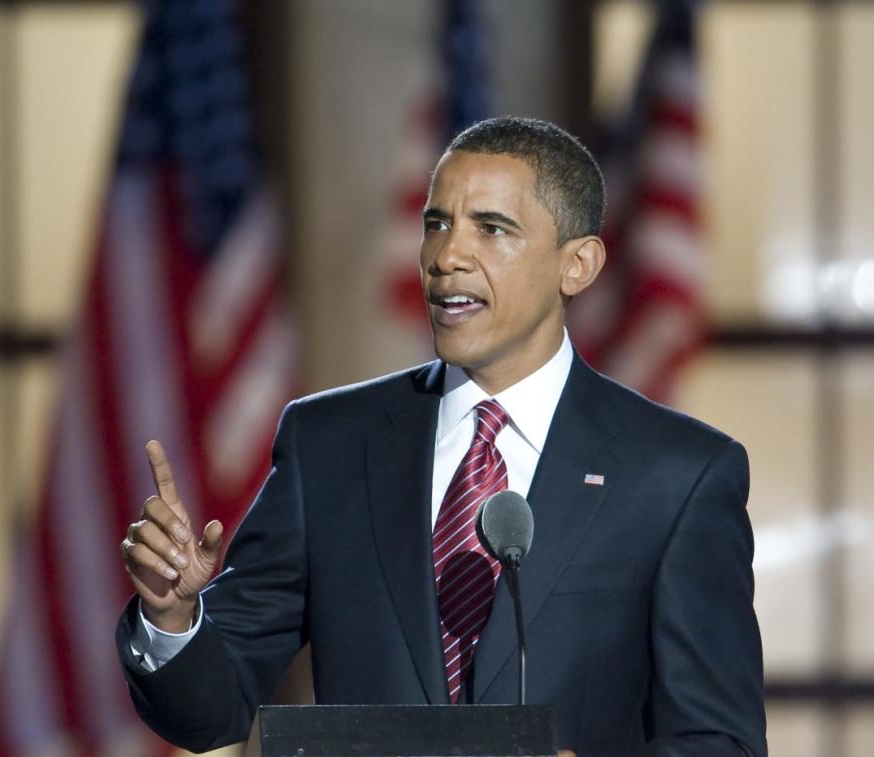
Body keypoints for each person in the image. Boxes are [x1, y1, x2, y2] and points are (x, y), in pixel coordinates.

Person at [116, 116, 767, 756]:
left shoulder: (677, 477)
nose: (446, 256)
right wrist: (171, 618)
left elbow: (721, 741)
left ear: (577, 265)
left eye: (491, 228)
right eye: (437, 224)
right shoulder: (328, 446)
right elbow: (211, 709)